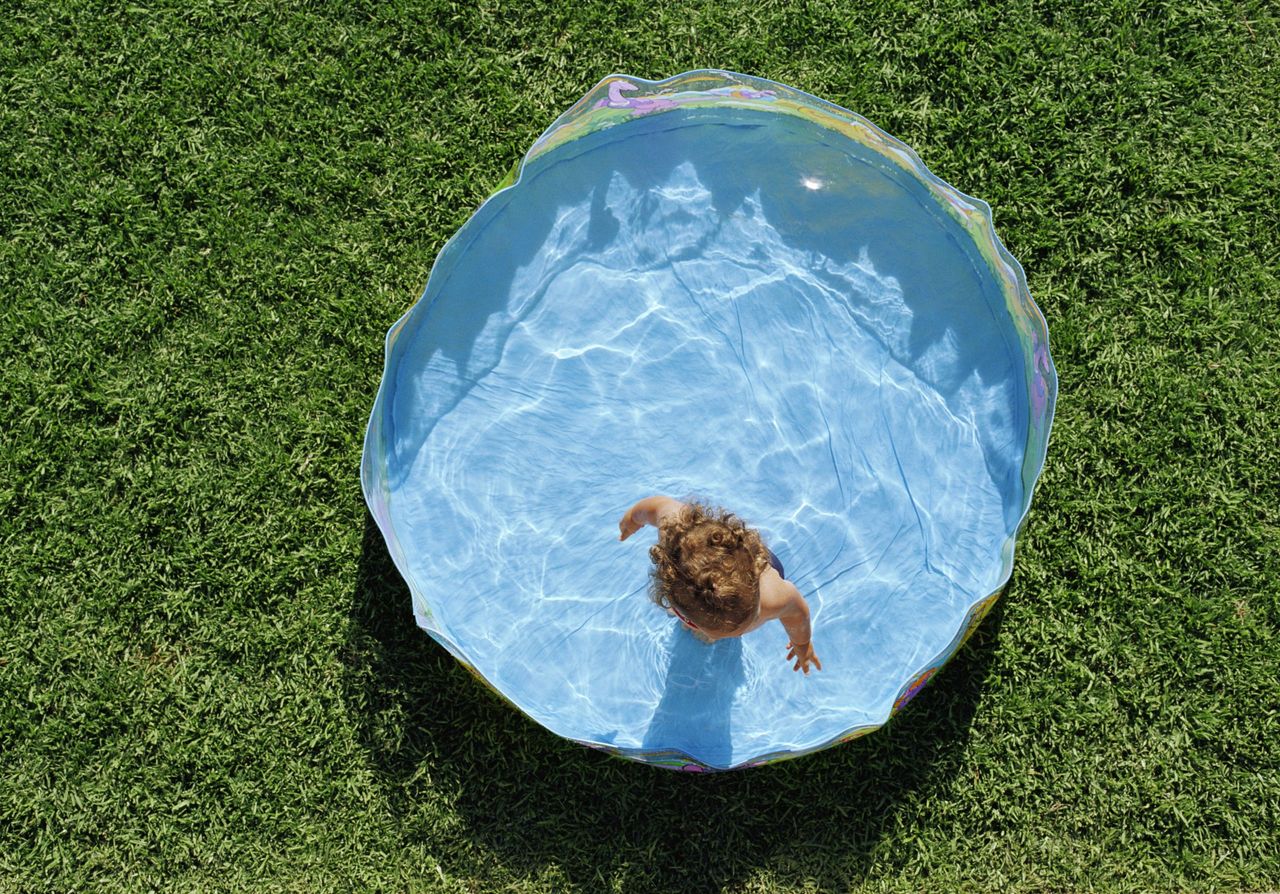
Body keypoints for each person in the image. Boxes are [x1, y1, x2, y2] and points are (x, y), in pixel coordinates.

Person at [618, 495, 821, 674]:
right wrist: (632, 518)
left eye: (740, 630)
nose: (740, 633)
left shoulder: (775, 596)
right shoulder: (678, 543)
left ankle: (701, 626)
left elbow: (798, 615)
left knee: (704, 627)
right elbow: (657, 506)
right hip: (701, 581)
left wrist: (802, 645)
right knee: (700, 621)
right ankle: (698, 624)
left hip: (757, 563)